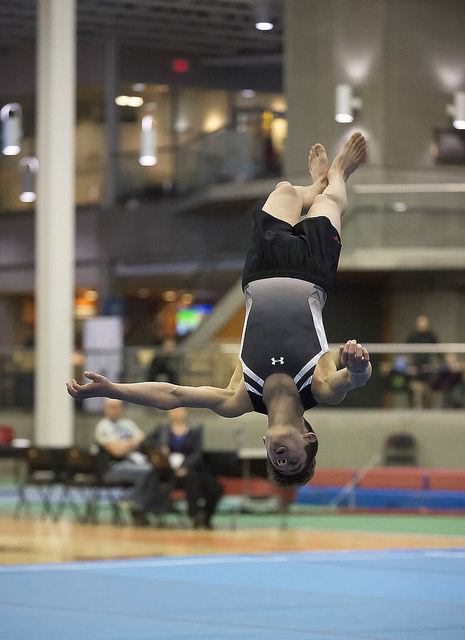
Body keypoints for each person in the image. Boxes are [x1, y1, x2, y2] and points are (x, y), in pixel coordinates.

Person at [67, 132, 372, 488]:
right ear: (309, 439)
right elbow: (354, 379)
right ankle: (336, 174)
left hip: (261, 270)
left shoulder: (239, 397)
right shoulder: (319, 388)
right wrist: (358, 366)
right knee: (330, 202)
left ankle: (313, 186)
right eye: (292, 461)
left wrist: (114, 390)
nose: (282, 458)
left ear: (265, 443)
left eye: (277, 462)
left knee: (286, 191)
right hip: (312, 270)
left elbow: (174, 395)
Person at [142, 407, 223, 529]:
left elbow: (197, 453)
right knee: (155, 478)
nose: (177, 412)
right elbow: (145, 443)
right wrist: (160, 450)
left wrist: (185, 466)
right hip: (167, 470)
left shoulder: (194, 431)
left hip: (190, 468)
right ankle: (143, 509)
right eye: (173, 410)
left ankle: (201, 516)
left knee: (211, 486)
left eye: (179, 409)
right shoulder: (162, 430)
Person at [94, 398, 159, 526]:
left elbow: (143, 440)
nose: (114, 410)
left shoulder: (128, 424)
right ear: (105, 408)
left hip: (135, 462)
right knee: (148, 471)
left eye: (117, 407)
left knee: (158, 470)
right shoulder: (103, 426)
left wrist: (126, 444)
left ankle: (140, 505)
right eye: (111, 407)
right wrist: (133, 442)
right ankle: (132, 501)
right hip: (113, 467)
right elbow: (117, 451)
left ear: (122, 408)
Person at [405, 314, 440, 408]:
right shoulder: (412, 336)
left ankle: (427, 408)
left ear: (427, 324)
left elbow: (438, 351)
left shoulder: (431, 336)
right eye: (420, 322)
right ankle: (417, 407)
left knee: (427, 389)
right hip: (416, 365)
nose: (421, 324)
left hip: (427, 366)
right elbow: (407, 351)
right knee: (416, 387)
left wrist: (437, 364)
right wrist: (410, 364)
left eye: (423, 322)